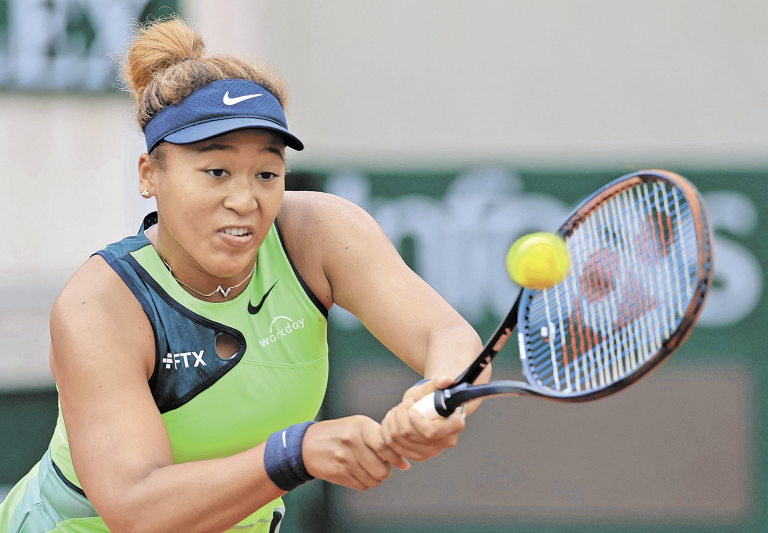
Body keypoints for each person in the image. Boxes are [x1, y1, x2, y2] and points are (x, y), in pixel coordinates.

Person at [0, 17, 489, 533]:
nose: (244, 200)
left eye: (267, 173)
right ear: (150, 175)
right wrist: (293, 453)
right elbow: (137, 509)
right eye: (216, 171)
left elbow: (449, 334)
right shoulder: (99, 304)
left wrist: (442, 395)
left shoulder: (321, 233)